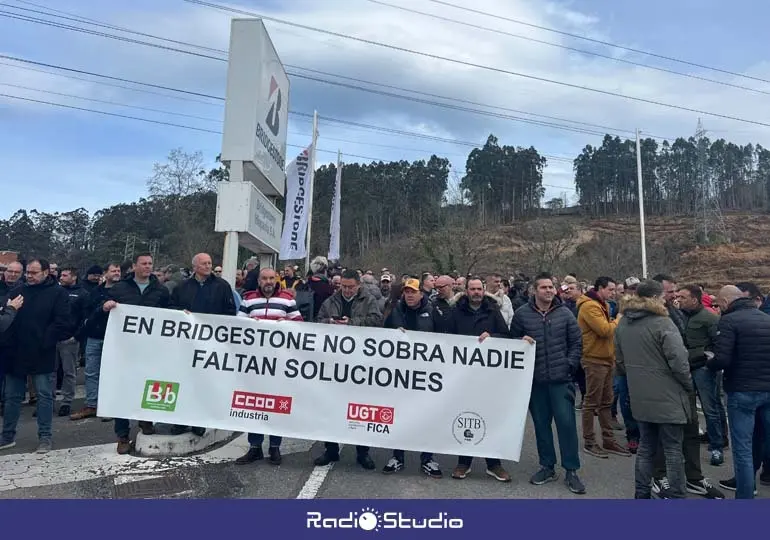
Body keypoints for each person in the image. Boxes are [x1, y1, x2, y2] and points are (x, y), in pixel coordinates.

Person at [615, 280, 692, 499]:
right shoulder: (663, 323)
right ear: (656, 298)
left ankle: (641, 493)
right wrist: (688, 385)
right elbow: (679, 361)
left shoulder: (623, 323)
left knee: (646, 447)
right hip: (668, 395)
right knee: (673, 449)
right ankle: (677, 495)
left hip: (640, 395)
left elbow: (619, 362)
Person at [510, 273, 585, 494]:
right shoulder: (522, 314)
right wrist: (519, 341)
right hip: (536, 382)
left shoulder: (565, 314)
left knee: (567, 425)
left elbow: (576, 343)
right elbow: (510, 341)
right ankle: (547, 466)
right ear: (535, 290)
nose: (549, 290)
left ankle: (571, 469)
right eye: (544, 287)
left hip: (561, 381)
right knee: (542, 426)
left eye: (551, 287)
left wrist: (570, 365)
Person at [0, 259, 72, 454]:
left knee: (44, 396)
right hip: (15, 352)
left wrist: (44, 341)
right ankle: (7, 436)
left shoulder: (58, 294)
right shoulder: (17, 291)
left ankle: (45, 437)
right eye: (28, 272)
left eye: (33, 272)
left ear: (46, 272)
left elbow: (62, 322)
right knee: (12, 397)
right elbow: (7, 318)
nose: (29, 276)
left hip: (42, 352)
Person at [101, 253, 170, 454]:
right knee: (122, 390)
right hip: (123, 349)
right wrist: (105, 306)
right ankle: (122, 434)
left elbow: (169, 312)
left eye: (150, 263)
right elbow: (100, 307)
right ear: (134, 266)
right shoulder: (119, 288)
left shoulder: (160, 290)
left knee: (148, 386)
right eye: (144, 264)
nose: (148, 267)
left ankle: (146, 421)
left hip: (150, 350)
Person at [313, 270, 382, 470]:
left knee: (360, 409)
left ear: (358, 285)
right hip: (334, 363)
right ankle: (331, 449)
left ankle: (363, 452)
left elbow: (377, 322)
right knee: (331, 407)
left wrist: (351, 324)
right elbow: (318, 322)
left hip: (360, 363)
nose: (347, 290)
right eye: (344, 286)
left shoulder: (369, 300)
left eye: (350, 287)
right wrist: (331, 323)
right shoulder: (330, 301)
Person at [446, 277, 512, 482]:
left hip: (488, 376)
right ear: (466, 291)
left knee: (490, 417)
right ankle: (463, 462)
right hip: (463, 375)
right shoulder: (455, 312)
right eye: (472, 289)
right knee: (465, 415)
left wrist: (492, 336)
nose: (476, 292)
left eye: (479, 289)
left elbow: (506, 336)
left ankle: (494, 464)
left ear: (484, 291)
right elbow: (445, 338)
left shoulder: (493, 311)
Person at [709, 285, 770, 499]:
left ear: (726, 303)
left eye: (719, 304)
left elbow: (723, 359)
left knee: (743, 449)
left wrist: (710, 363)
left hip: (742, 392)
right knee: (763, 441)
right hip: (767, 390)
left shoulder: (729, 321)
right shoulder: (765, 318)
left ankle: (745, 498)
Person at [381, 277, 444, 478]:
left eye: (413, 292)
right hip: (400, 374)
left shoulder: (433, 311)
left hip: (426, 374)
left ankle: (427, 458)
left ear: (421, 294)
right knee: (399, 415)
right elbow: (382, 337)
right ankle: (397, 456)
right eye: (406, 292)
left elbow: (446, 339)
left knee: (427, 416)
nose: (409, 295)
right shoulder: (396, 310)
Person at [169, 253, 237, 436]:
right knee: (184, 381)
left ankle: (199, 419)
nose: (208, 266)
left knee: (204, 382)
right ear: (195, 267)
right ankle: (180, 420)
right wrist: (179, 313)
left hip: (211, 343)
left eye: (209, 263)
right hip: (186, 343)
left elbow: (230, 312)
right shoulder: (182, 287)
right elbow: (171, 309)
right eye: (204, 263)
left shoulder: (222, 286)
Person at [576, 277, 629, 458]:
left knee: (606, 401)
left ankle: (608, 439)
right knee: (591, 402)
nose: (613, 293)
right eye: (610, 289)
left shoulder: (603, 305)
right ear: (600, 288)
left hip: (606, 358)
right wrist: (619, 319)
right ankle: (590, 441)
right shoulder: (590, 306)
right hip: (593, 359)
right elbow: (605, 330)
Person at [676, 284, 724, 466]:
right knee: (686, 409)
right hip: (684, 368)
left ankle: (717, 447)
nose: (678, 300)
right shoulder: (679, 316)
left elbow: (716, 344)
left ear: (694, 300)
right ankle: (688, 444)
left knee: (709, 408)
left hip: (703, 369)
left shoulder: (709, 318)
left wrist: (707, 362)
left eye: (683, 297)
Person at [70, 263, 122, 421]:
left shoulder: (124, 291)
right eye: (113, 271)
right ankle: (91, 404)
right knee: (91, 372)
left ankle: (110, 406)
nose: (117, 273)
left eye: (119, 271)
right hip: (95, 337)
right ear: (105, 273)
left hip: (115, 338)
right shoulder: (95, 292)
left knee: (112, 373)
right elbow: (89, 313)